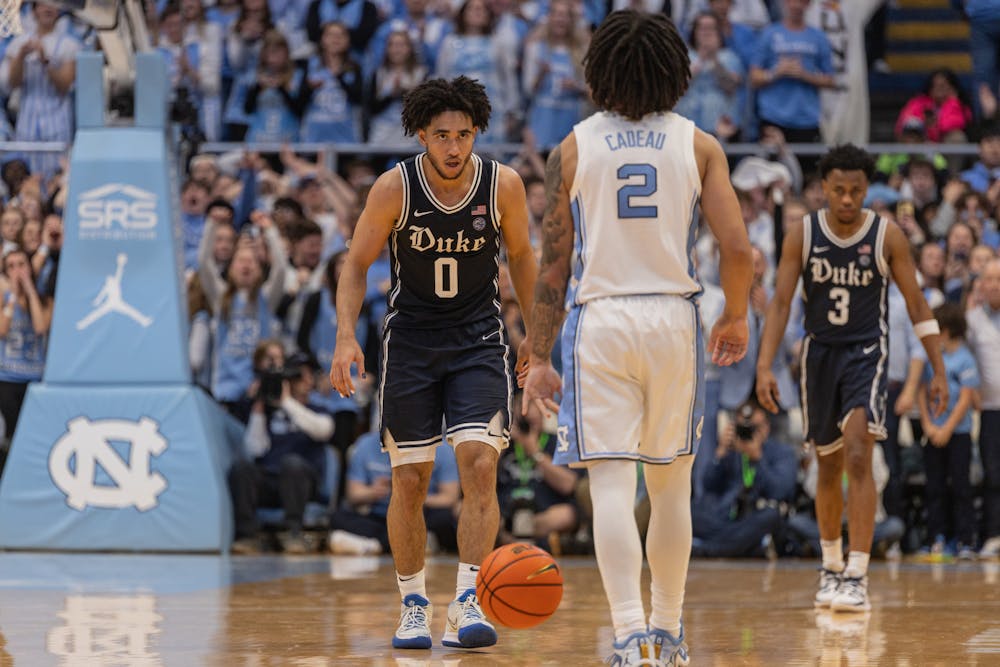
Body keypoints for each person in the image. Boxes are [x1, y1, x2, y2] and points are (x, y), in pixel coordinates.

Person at [521, 10, 754, 666]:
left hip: (603, 320)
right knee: (671, 488)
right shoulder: (699, 144)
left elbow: (554, 269)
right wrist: (735, 315)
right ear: (674, 72)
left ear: (598, 71)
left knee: (615, 488)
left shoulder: (570, 147)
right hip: (672, 318)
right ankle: (670, 633)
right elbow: (737, 248)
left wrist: (539, 354)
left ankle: (627, 636)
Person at [328, 76, 537, 650]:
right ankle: (414, 604)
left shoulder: (504, 185)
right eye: (441, 135)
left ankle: (468, 598)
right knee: (411, 479)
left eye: (463, 135)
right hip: (412, 343)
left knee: (479, 464)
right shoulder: (394, 187)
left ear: (476, 135)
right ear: (421, 134)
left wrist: (535, 338)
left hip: (477, 339)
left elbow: (521, 255)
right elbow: (355, 264)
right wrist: (347, 336)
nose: (453, 147)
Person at [756, 144, 949, 614]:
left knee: (860, 451)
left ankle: (858, 573)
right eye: (838, 190)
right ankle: (830, 566)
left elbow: (918, 305)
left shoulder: (887, 237)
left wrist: (937, 367)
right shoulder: (801, 235)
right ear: (824, 188)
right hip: (819, 354)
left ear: (868, 191)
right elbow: (780, 304)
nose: (846, 199)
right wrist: (764, 364)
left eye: (856, 191)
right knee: (828, 463)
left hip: (867, 352)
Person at [228, 348, 335, 554]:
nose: (303, 379)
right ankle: (247, 536)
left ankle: (293, 533)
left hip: (303, 483)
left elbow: (323, 431)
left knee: (291, 464)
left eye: (307, 374)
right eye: (297, 374)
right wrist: (259, 408)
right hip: (271, 482)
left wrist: (287, 403)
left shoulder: (318, 408)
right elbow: (254, 449)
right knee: (242, 467)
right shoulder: (270, 410)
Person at [692, 397, 797, 559]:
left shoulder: (782, 453)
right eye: (743, 428)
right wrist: (720, 453)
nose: (748, 433)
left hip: (754, 516)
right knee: (690, 510)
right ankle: (746, 548)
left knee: (771, 516)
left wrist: (757, 458)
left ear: (766, 428)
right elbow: (708, 485)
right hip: (727, 518)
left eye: (754, 428)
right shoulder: (732, 451)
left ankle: (706, 550)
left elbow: (779, 491)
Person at [917, 303, 979, 559]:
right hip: (933, 432)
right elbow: (921, 392)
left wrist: (947, 428)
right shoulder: (933, 360)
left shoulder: (965, 358)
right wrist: (928, 425)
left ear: (949, 330)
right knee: (934, 488)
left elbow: (965, 400)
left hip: (958, 433)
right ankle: (936, 537)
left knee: (961, 487)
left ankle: (965, 539)